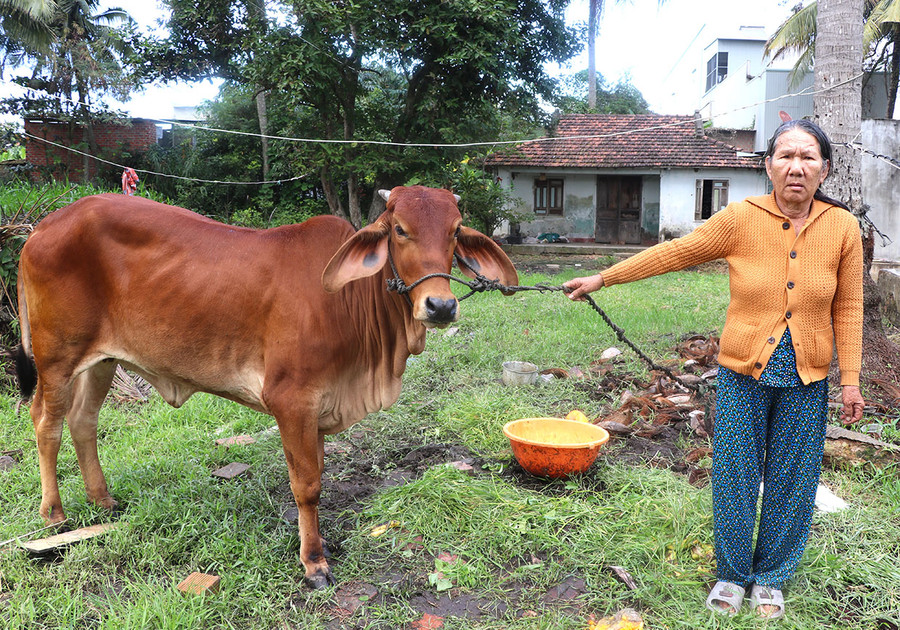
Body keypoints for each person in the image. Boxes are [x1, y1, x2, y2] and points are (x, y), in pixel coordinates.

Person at [564, 119, 864, 619]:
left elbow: (849, 306)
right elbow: (677, 252)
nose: (796, 167)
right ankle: (731, 574)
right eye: (785, 156)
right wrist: (605, 277)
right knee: (734, 473)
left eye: (808, 158)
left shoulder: (842, 228)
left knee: (794, 478)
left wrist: (849, 380)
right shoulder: (740, 217)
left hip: (807, 375)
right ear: (768, 165)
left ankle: (770, 577)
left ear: (825, 170)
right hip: (742, 370)